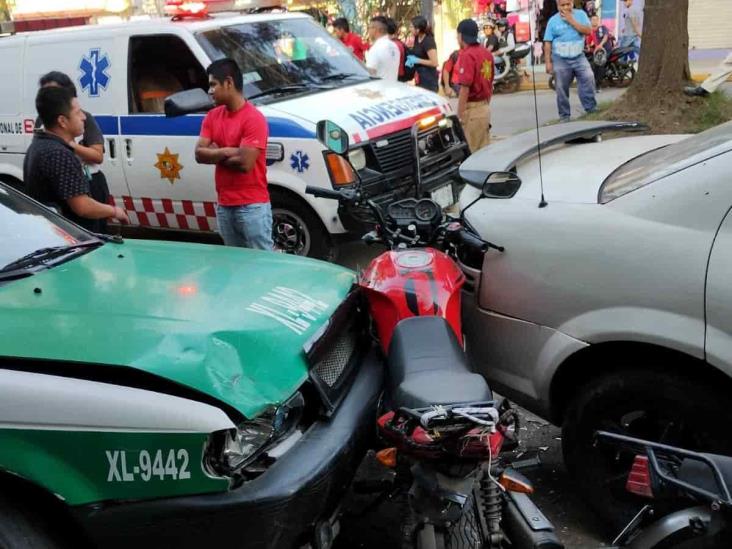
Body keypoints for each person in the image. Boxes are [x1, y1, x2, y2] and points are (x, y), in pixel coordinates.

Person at [195, 58, 273, 250]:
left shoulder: (254, 118)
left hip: (252, 206)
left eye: (213, 84)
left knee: (263, 264)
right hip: (224, 205)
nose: (210, 91)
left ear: (229, 83)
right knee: (235, 265)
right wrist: (229, 151)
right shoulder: (212, 116)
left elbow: (245, 163)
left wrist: (214, 153)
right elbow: (198, 154)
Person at [24, 87, 128, 230]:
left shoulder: (39, 145)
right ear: (62, 121)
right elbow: (83, 207)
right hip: (74, 240)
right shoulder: (59, 154)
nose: (84, 117)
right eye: (78, 113)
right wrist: (114, 211)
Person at [36, 71, 111, 233]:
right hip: (64, 191)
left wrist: (70, 145)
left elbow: (97, 156)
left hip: (90, 182)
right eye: (45, 91)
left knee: (95, 232)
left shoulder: (83, 119)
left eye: (55, 91)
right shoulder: (45, 134)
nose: (50, 96)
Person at [544, 0, 596, 122]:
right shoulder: (552, 21)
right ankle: (564, 116)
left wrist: (571, 20)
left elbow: (588, 31)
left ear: (572, 3)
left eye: (568, 4)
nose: (566, 7)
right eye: (562, 5)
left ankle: (591, 109)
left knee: (588, 78)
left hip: (579, 57)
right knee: (561, 88)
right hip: (560, 59)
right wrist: (548, 62)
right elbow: (547, 43)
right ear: (557, 6)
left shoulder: (581, 15)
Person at [454, 19, 495, 152]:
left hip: (472, 111)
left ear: (461, 36)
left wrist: (459, 117)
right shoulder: (486, 53)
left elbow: (465, 89)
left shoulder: (467, 55)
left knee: (472, 154)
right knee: (483, 151)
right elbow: (490, 84)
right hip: (484, 108)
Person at [406, 16, 439, 92]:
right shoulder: (417, 38)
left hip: (429, 79)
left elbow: (434, 62)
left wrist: (417, 60)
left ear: (418, 29)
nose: (409, 29)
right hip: (420, 77)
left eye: (411, 27)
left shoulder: (428, 41)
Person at [365, 16, 400, 81]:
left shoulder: (375, 49)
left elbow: (370, 75)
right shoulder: (394, 46)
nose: (368, 31)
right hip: (393, 88)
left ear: (376, 29)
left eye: (369, 28)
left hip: (379, 89)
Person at [589, 14, 611, 88]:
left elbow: (605, 36)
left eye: (596, 20)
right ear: (590, 21)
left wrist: (600, 45)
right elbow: (587, 41)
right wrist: (587, 46)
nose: (594, 21)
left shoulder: (602, 28)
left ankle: (598, 85)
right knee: (593, 64)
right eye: (593, 20)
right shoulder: (590, 31)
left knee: (599, 64)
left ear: (598, 21)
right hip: (597, 51)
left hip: (605, 49)